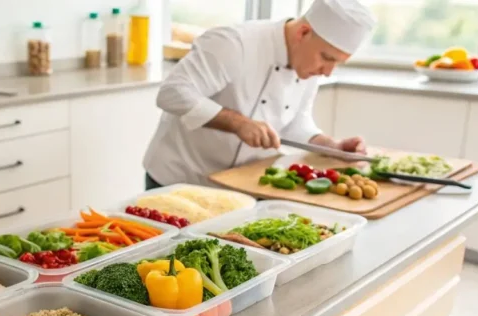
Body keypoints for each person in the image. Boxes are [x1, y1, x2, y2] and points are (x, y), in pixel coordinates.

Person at [143, 0, 377, 189]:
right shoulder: (234, 43)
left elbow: (295, 121)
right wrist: (238, 123)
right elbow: (172, 93)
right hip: (180, 181)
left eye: (337, 63)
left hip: (241, 188)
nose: (327, 72)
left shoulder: (308, 63)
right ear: (303, 32)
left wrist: (330, 145)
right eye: (327, 58)